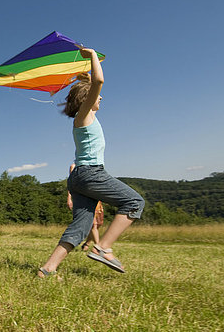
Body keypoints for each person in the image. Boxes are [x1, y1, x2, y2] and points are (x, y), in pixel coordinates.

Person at [38, 47, 144, 276]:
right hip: (89, 174)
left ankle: (48, 268)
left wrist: (82, 75)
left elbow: (93, 83)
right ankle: (103, 248)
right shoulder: (84, 115)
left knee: (81, 226)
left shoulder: (86, 117)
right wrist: (93, 55)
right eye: (97, 95)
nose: (102, 97)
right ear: (87, 99)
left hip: (78, 177)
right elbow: (99, 81)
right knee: (135, 202)